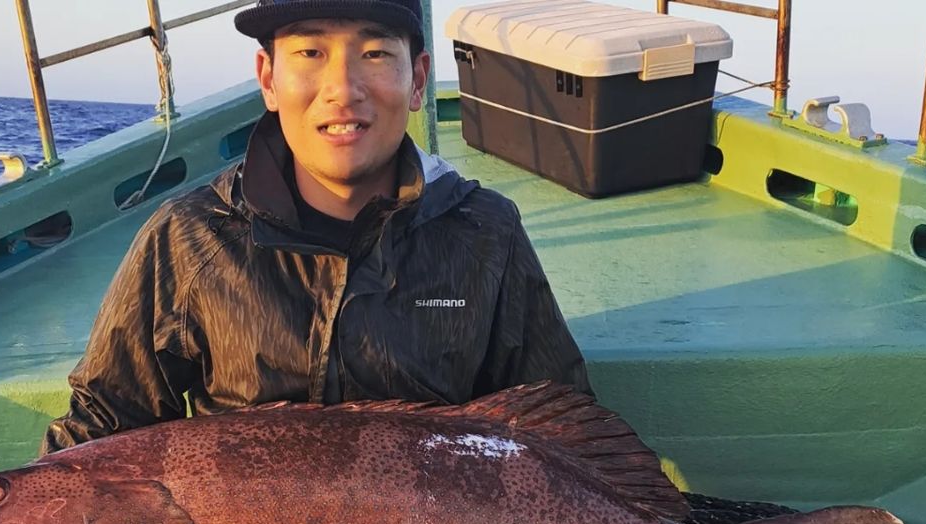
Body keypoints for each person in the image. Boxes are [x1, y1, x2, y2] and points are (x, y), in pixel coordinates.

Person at [41, 0, 590, 454]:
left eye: (374, 53)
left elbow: (563, 433)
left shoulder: (487, 233)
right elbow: (102, 430)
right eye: (309, 52)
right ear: (268, 78)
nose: (342, 87)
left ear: (418, 78)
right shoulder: (188, 239)